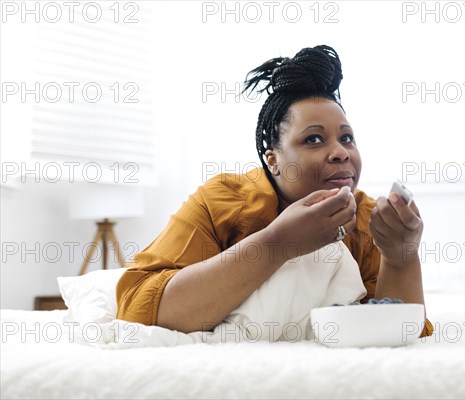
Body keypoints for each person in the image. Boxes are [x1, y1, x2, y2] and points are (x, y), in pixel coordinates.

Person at [115, 44, 434, 338]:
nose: (341, 152)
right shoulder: (222, 202)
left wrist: (400, 256)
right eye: (314, 139)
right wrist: (278, 243)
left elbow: (401, 330)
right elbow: (138, 309)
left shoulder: (366, 219)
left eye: (347, 138)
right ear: (273, 160)